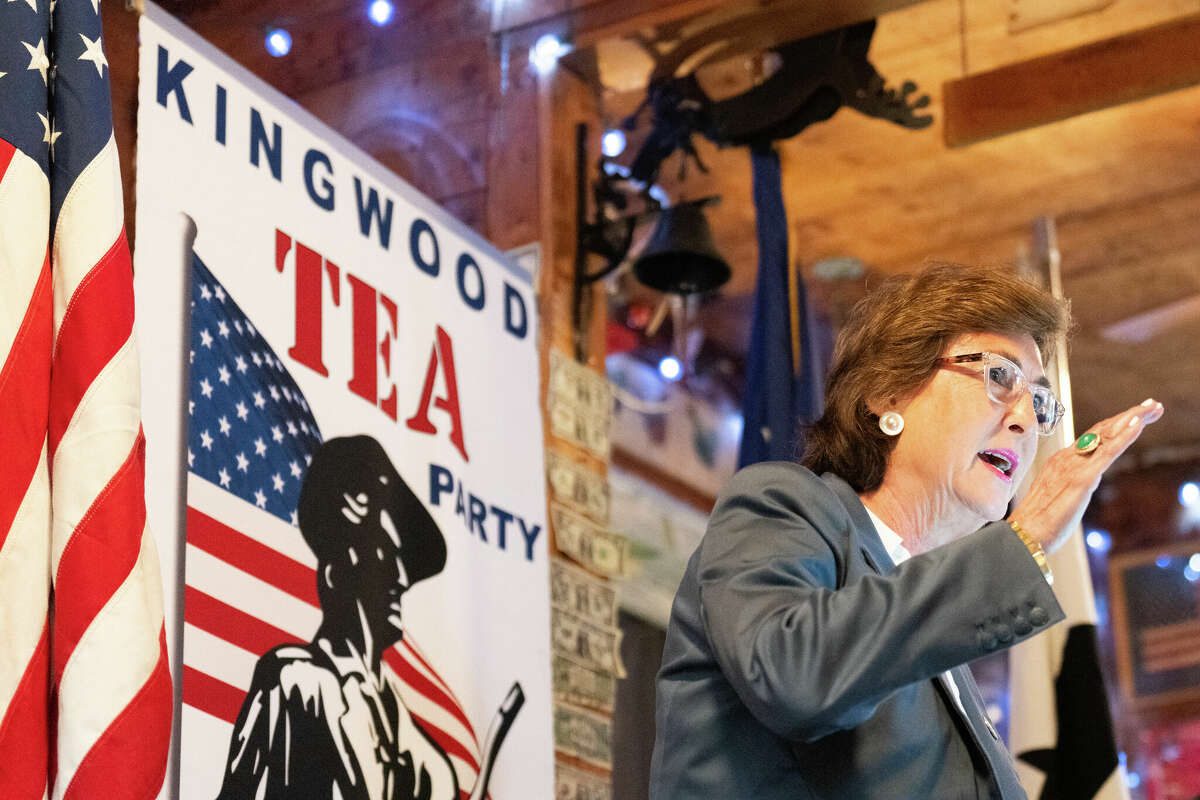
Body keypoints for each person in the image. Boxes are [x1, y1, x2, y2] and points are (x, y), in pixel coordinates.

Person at [648, 264, 1164, 799]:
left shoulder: (938, 640)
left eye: (1037, 402)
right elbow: (792, 676)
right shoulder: (779, 504)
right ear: (888, 392)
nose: (1026, 421)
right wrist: (1025, 534)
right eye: (999, 377)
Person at [217, 435, 457, 800]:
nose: (402, 580)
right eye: (385, 558)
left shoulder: (427, 759)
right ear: (335, 571)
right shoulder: (297, 684)